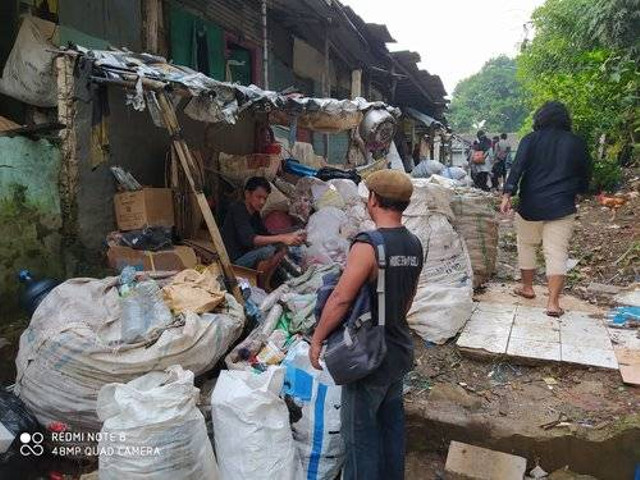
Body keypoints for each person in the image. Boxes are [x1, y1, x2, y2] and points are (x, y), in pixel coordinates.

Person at [309, 170, 423, 480]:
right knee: (390, 429)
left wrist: (317, 339)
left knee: (360, 438)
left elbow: (341, 299)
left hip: (369, 355)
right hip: (399, 349)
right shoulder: (414, 243)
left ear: (372, 199)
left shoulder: (368, 244)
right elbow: (408, 299)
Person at [500, 101, 590, 317]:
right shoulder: (577, 142)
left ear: (540, 118)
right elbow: (585, 172)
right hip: (562, 205)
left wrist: (507, 194)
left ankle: (527, 288)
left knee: (527, 245)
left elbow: (518, 167)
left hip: (531, 203)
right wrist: (580, 191)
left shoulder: (530, 140)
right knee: (556, 252)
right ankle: (552, 302)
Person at [221, 176, 305, 269]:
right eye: (259, 197)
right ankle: (261, 282)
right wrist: (282, 238)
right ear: (247, 194)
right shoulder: (237, 209)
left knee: (280, 247)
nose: (262, 202)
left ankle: (288, 274)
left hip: (248, 255)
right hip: (233, 262)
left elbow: (266, 234)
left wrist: (291, 235)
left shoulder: (255, 213)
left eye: (265, 198)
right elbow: (251, 240)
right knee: (267, 251)